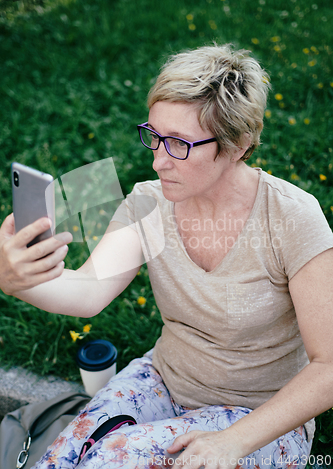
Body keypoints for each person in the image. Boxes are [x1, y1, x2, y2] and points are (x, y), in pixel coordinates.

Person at [1, 44, 333, 469]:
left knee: (110, 459)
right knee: (65, 456)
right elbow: (87, 292)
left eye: (178, 144)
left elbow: (327, 364)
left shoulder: (291, 217)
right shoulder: (149, 204)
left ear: (237, 145)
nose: (158, 161)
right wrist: (16, 279)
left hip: (262, 419)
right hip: (166, 380)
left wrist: (232, 441)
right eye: (154, 136)